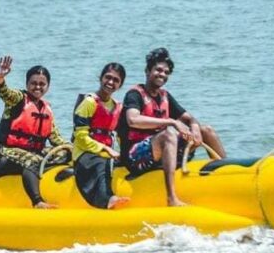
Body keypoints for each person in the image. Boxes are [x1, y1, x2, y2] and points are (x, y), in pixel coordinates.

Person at [118, 48, 226, 206]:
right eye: (158, 70)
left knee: (206, 130)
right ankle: (171, 198)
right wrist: (172, 122)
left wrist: (194, 127)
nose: (162, 74)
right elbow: (132, 120)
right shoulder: (134, 94)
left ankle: (227, 172)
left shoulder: (165, 96)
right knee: (169, 133)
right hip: (136, 157)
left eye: (166, 72)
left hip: (162, 151)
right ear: (148, 71)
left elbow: (189, 118)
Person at [0, 55, 69, 209]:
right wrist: (0, 78)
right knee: (33, 161)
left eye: (42, 84)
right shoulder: (18, 99)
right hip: (7, 152)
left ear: (48, 86)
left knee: (66, 153)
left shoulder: (46, 109)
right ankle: (37, 201)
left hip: (35, 152)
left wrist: (74, 149)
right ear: (27, 84)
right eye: (33, 83)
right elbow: (5, 93)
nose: (37, 87)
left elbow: (56, 139)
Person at [72, 63, 130, 209]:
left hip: (106, 153)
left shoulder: (117, 107)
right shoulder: (89, 102)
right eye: (108, 77)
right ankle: (106, 199)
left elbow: (121, 135)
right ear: (101, 78)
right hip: (85, 154)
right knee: (100, 163)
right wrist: (104, 149)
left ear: (120, 84)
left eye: (116, 80)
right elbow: (80, 136)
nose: (110, 82)